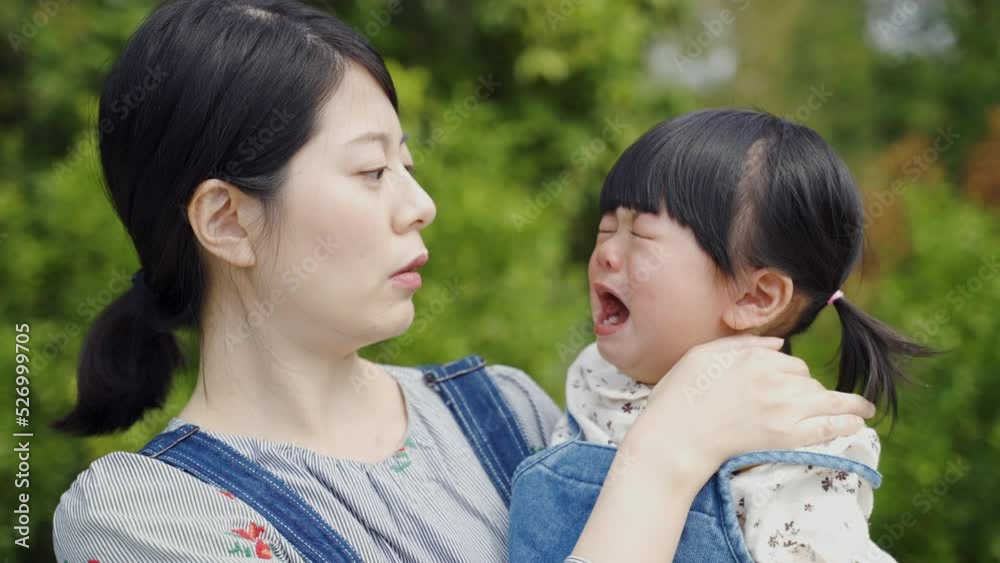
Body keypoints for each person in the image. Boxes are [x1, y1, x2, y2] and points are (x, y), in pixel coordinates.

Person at [51, 2, 875, 562]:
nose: (421, 204)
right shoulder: (145, 519)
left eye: (406, 163)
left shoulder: (508, 411)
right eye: (371, 171)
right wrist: (668, 450)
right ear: (227, 220)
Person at [510, 110, 931, 562]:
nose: (607, 253)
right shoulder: (596, 381)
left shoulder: (787, 461)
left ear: (755, 296)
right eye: (606, 228)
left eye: (642, 235)